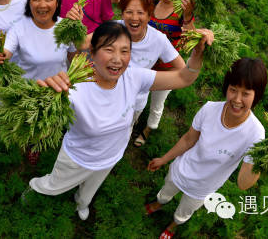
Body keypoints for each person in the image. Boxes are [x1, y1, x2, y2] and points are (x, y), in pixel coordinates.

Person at [24, 21, 214, 221]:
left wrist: (198, 53)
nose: (117, 59)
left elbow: (184, 78)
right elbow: (35, 121)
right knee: (54, 185)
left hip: (111, 157)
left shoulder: (133, 77)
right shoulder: (74, 88)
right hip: (78, 159)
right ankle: (35, 187)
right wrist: (46, 94)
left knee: (90, 190)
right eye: (109, 49)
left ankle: (82, 202)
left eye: (125, 51)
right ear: (93, 52)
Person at [144, 58, 268, 239]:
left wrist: (264, 152)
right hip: (182, 169)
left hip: (203, 187)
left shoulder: (255, 133)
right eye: (233, 90)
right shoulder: (210, 109)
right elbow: (189, 139)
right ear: (226, 87)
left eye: (246, 94)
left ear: (256, 95)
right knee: (166, 191)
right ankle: (159, 203)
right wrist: (164, 159)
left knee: (185, 210)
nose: (237, 99)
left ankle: (173, 225)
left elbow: (243, 183)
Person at [0, 0, 77, 164]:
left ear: (58, 1)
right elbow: (6, 51)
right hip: (28, 93)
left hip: (57, 91)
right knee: (31, 125)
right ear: (29, 1)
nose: (42, 5)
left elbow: (72, 58)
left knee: (49, 125)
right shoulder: (19, 28)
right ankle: (31, 146)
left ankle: (41, 142)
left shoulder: (65, 28)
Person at [114, 0, 186, 147]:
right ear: (122, 13)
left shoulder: (158, 39)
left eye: (140, 12)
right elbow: (86, 45)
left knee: (124, 129)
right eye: (129, 12)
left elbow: (183, 71)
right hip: (108, 94)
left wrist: (152, 81)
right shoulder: (112, 29)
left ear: (149, 15)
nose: (134, 18)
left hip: (135, 102)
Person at [135, 0, 195, 147]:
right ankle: (130, 123)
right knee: (135, 96)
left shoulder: (182, 11)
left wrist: (188, 17)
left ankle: (147, 129)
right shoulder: (151, 2)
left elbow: (190, 40)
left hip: (167, 69)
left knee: (156, 103)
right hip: (144, 63)